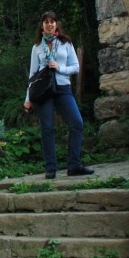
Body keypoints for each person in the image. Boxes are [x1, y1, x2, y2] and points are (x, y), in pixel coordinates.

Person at [23, 11, 94, 179]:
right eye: (46, 22)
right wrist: (28, 99)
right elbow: (32, 74)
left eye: (52, 21)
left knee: (77, 123)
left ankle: (74, 165)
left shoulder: (65, 43)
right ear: (42, 26)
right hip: (43, 91)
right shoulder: (37, 47)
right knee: (47, 128)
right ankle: (51, 168)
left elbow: (75, 67)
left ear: (56, 24)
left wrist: (59, 68)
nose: (49, 24)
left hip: (62, 88)